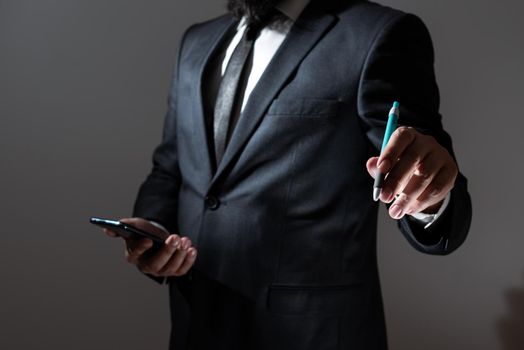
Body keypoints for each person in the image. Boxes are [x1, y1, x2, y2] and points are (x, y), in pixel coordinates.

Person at [103, 0, 472, 348]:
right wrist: (154, 231)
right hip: (196, 325)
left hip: (314, 335)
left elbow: (420, 162)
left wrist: (431, 195)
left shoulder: (378, 34)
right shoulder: (196, 41)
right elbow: (170, 168)